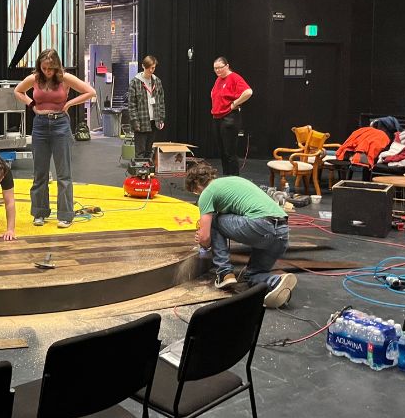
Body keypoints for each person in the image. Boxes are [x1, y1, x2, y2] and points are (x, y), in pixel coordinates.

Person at [185, 162, 297, 308]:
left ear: (196, 185)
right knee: (253, 275)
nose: (198, 195)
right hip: (282, 232)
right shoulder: (235, 181)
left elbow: (205, 238)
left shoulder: (207, 192)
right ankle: (275, 282)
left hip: (261, 227)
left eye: (195, 191)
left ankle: (224, 273)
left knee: (213, 220)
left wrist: (202, 240)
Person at [14, 49, 96, 228]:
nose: (47, 71)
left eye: (51, 68)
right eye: (44, 68)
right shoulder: (35, 78)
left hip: (60, 125)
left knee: (64, 174)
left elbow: (90, 92)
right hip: (40, 125)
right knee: (40, 173)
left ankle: (66, 215)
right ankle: (39, 212)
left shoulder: (65, 78)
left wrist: (69, 103)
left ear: (57, 66)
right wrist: (32, 104)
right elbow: (18, 91)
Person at [211, 56, 252, 175]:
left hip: (229, 118)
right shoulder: (218, 79)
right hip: (217, 118)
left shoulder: (234, 77)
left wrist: (235, 103)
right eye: (215, 68)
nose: (217, 70)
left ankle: (234, 178)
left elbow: (248, 92)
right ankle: (226, 176)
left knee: (229, 152)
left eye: (220, 68)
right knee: (222, 151)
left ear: (227, 66)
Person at [126, 55, 166, 160]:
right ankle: (139, 173)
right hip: (141, 121)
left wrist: (161, 117)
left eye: (153, 67)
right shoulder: (135, 82)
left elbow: (161, 101)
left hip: (154, 121)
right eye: (149, 67)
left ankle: (148, 173)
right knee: (140, 152)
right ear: (143, 66)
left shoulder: (157, 81)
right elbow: (131, 105)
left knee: (149, 150)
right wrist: (135, 121)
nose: (151, 70)